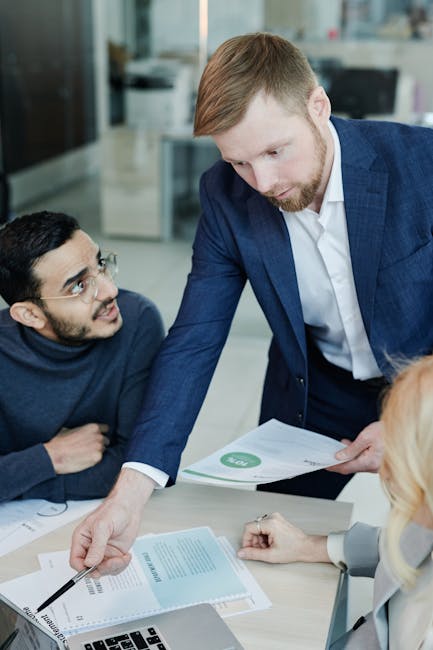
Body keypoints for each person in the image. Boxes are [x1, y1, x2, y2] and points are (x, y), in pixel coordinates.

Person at [70, 32, 433, 574]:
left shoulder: (420, 165)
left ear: (318, 105)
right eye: (239, 162)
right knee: (276, 549)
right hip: (313, 392)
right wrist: (131, 489)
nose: (263, 182)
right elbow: (195, 338)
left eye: (274, 151)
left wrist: (414, 419)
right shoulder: (225, 193)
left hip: (422, 383)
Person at [237, 355, 433, 649]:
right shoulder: (423, 519)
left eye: (400, 443)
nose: (385, 466)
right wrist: (307, 545)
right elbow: (411, 545)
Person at [0, 211, 164, 503]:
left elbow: (137, 464)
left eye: (100, 265)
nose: (110, 290)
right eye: (78, 286)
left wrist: (18, 483)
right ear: (30, 314)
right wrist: (51, 458)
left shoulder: (138, 320)